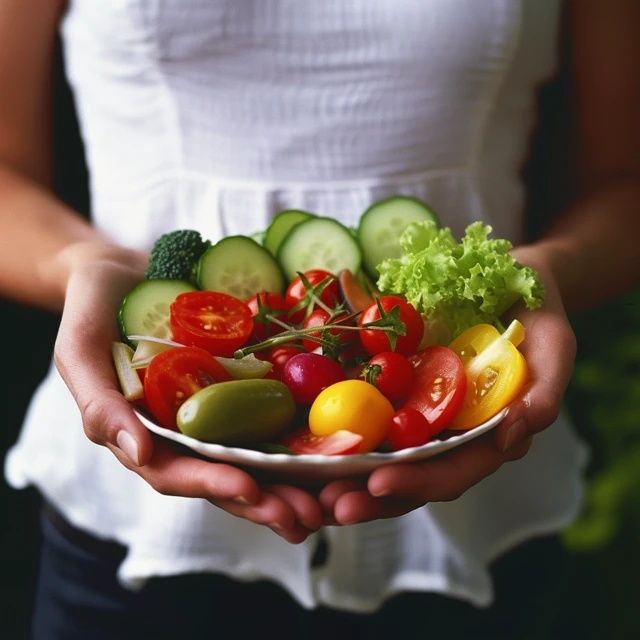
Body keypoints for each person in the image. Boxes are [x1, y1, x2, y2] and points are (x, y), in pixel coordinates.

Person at [1, 0, 638, 638]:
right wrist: (80, 265)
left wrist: (543, 272)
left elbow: (624, 184)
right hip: (129, 534)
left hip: (483, 519)